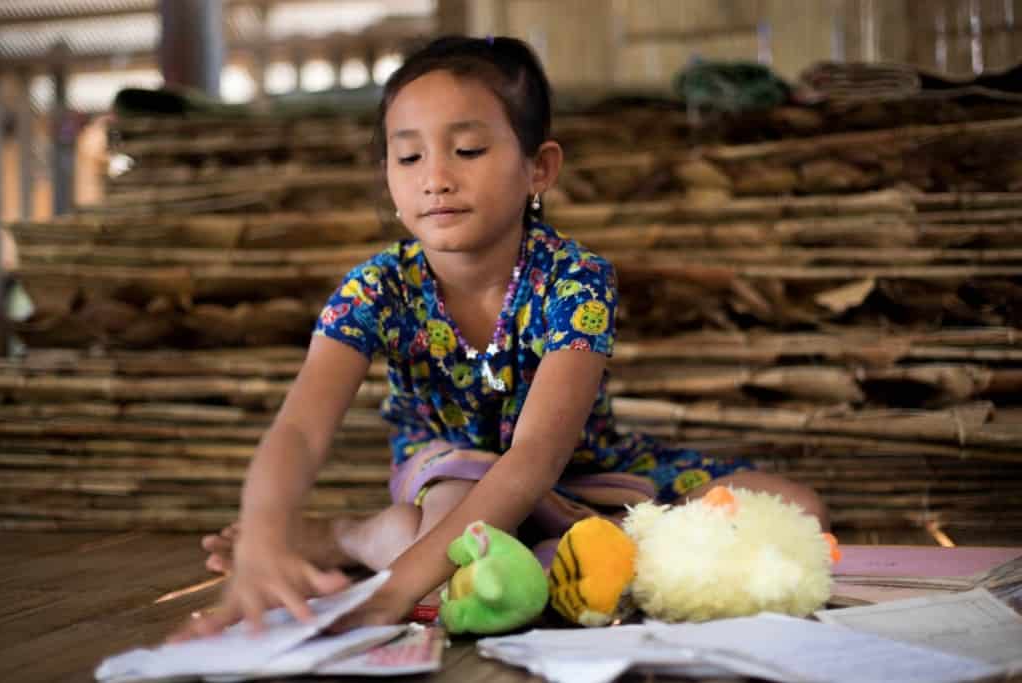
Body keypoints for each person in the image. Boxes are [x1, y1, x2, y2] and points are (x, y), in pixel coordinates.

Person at [173, 35, 827, 640]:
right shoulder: (374, 290)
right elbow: (300, 429)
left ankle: (426, 544)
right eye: (408, 154)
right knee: (457, 515)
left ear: (538, 168)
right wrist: (263, 534)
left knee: (796, 508)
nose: (435, 176)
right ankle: (354, 535)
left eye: (467, 149)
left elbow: (535, 457)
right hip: (447, 470)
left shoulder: (576, 281)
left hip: (576, 471)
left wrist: (389, 594)